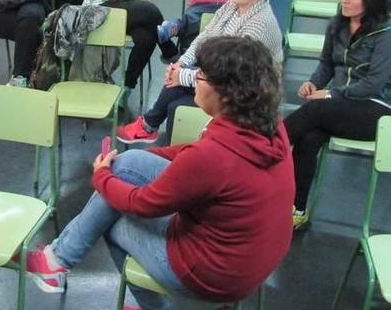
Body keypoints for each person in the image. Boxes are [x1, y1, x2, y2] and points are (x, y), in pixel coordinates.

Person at [22, 36, 293, 309]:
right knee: (128, 164)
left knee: (110, 218)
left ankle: (75, 270)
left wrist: (102, 177)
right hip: (257, 256)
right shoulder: (267, 125)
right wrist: (138, 161)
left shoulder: (212, 158)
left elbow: (143, 203)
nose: (194, 79)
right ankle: (56, 260)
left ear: (226, 93)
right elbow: (195, 152)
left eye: (201, 76)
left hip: (214, 274)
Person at [284, 0, 391, 230]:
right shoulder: (337, 25)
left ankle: (262, 151)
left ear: (370, 0)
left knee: (315, 111)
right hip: (341, 105)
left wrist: (329, 94)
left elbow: (373, 84)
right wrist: (313, 83)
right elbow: (326, 64)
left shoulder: (389, 34)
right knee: (309, 136)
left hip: (380, 109)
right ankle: (297, 209)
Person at [118, 0, 283, 144]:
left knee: (176, 93)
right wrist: (182, 63)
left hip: (245, 91)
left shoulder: (259, 25)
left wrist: (184, 76)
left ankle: (150, 127)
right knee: (176, 85)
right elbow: (205, 36)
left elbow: (230, 73)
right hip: (224, 76)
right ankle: (150, 127)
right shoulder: (233, 5)